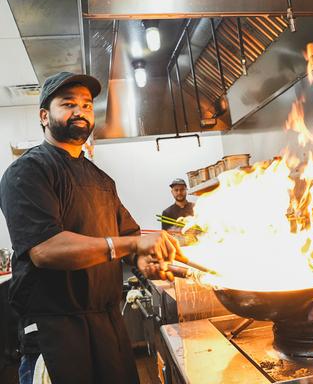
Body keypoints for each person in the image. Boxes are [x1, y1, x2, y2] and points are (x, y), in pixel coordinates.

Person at [0, 72, 180, 384]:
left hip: (107, 324)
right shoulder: (27, 171)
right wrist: (132, 247)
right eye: (68, 104)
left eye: (86, 105)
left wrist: (144, 263)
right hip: (57, 329)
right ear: (44, 116)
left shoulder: (101, 180)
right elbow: (46, 249)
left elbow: (129, 237)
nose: (80, 111)